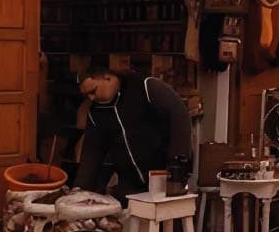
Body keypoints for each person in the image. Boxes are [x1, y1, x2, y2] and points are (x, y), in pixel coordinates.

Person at [74, 67, 193, 205]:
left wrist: (178, 163)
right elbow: (91, 153)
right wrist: (80, 189)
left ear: (107, 78)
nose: (91, 98)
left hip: (164, 174)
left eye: (93, 91)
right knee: (130, 215)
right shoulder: (95, 114)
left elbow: (179, 114)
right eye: (86, 95)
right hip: (129, 184)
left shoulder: (146, 87)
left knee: (168, 214)